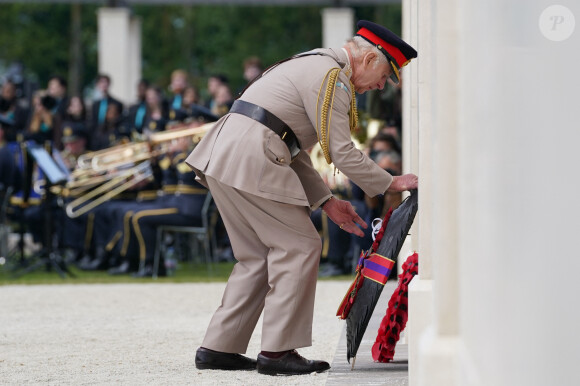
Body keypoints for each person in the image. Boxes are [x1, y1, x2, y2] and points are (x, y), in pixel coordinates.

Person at [186, 20, 418, 376]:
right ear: (370, 58)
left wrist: (327, 201)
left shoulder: (312, 63)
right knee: (300, 245)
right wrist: (390, 181)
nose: (380, 85)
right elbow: (341, 151)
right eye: (385, 74)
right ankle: (277, 353)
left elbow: (291, 146)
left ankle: (219, 347)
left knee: (257, 256)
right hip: (252, 154)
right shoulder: (333, 78)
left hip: (227, 152)